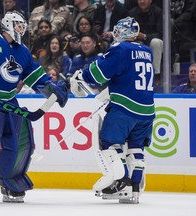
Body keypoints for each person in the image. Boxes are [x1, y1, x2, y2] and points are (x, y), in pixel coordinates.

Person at [0, 11, 68, 205]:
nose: (21, 28)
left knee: (21, 143)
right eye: (18, 24)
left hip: (9, 101)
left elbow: (36, 76)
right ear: (8, 23)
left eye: (23, 25)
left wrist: (52, 89)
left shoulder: (23, 51)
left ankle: (11, 182)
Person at [70, 17, 155, 204]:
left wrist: (80, 75)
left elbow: (96, 74)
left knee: (109, 142)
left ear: (123, 32)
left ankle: (121, 179)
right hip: (148, 111)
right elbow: (129, 76)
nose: (114, 34)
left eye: (117, 30)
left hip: (125, 109)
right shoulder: (147, 51)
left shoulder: (121, 49)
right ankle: (134, 188)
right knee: (136, 147)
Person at [128, 0, 163, 80]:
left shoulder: (158, 12)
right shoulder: (132, 13)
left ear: (151, 1)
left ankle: (155, 75)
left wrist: (144, 36)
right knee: (133, 44)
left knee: (156, 42)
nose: (142, 1)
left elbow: (161, 34)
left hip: (156, 43)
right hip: (138, 42)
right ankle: (133, 75)